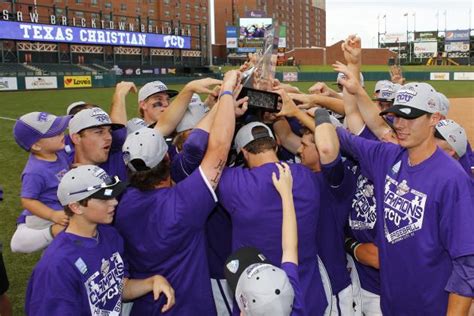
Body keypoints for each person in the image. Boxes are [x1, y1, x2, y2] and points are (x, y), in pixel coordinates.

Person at [336, 81, 474, 315]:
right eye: (396, 116)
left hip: (430, 308)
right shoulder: (388, 157)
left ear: (434, 119)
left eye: (409, 117)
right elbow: (347, 139)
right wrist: (313, 115)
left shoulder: (451, 178)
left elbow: (467, 264)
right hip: (391, 304)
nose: (399, 124)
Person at [114, 70, 240, 315]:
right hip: (190, 307)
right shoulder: (184, 202)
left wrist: (219, 105)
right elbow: (220, 147)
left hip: (146, 307)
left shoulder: (120, 203)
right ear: (168, 158)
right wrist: (227, 91)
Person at [25, 165, 175, 315]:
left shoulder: (110, 235)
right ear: (76, 207)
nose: (114, 202)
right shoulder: (57, 265)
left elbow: (117, 288)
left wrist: (151, 282)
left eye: (113, 194)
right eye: (105, 198)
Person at [217, 118, 328, 315]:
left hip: (256, 303)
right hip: (306, 293)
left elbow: (210, 159)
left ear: (243, 152)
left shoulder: (235, 183)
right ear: (276, 144)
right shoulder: (306, 175)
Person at [224, 163, 303, 315]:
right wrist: (287, 194)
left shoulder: (293, 297)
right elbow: (290, 247)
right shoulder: (294, 304)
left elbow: (290, 248)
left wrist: (286, 195)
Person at [11, 112, 72, 253]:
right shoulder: (34, 171)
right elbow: (27, 201)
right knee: (59, 248)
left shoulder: (59, 153)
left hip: (59, 209)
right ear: (37, 146)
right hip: (44, 217)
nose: (62, 133)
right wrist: (52, 215)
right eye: (55, 133)